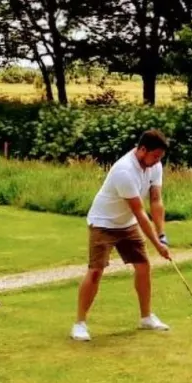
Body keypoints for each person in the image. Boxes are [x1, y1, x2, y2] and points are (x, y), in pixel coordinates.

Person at [72, 130, 173, 341]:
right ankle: (79, 324)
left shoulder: (155, 166)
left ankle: (146, 317)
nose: (156, 162)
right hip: (103, 222)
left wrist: (162, 235)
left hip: (127, 224)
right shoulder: (124, 171)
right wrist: (157, 244)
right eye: (154, 156)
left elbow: (155, 201)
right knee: (96, 271)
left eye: (160, 158)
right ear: (142, 149)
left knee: (143, 266)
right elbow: (140, 213)